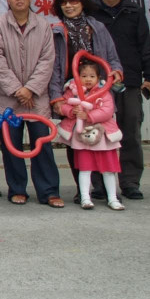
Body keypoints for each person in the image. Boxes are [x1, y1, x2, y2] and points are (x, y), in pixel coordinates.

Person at [0, 0, 63, 207]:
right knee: (12, 146)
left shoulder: (43, 25)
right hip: (7, 98)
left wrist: (30, 88)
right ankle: (17, 189)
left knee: (43, 144)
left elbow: (47, 60)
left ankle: (49, 191)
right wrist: (17, 89)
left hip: (36, 98)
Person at [47, 0, 122, 202]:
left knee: (102, 138)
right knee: (76, 141)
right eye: (64, 2)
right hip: (72, 93)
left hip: (98, 94)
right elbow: (54, 68)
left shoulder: (97, 28)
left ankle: (105, 189)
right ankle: (84, 190)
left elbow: (112, 57)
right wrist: (56, 97)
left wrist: (116, 73)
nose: (69, 5)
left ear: (83, 3)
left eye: (74, 1)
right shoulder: (57, 31)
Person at [91, 0, 150, 200]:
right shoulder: (91, 12)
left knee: (130, 131)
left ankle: (130, 182)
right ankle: (99, 184)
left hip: (128, 80)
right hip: (97, 83)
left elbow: (144, 47)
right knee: (96, 133)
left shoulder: (134, 11)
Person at [57, 60, 126, 211]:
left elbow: (107, 110)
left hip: (103, 137)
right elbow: (63, 105)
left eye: (92, 76)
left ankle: (113, 198)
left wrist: (89, 116)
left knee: (108, 169)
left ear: (98, 78)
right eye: (84, 76)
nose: (88, 79)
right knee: (84, 168)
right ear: (77, 76)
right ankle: (85, 198)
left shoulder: (104, 91)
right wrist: (71, 111)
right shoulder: (72, 91)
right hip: (82, 137)